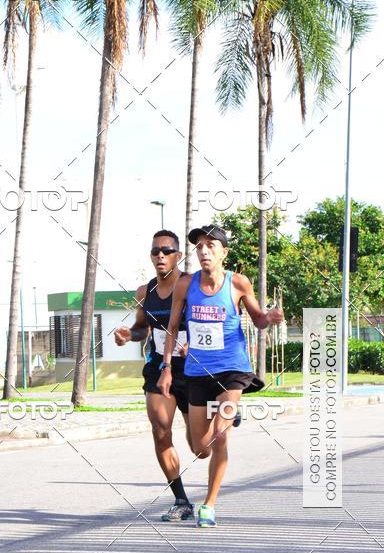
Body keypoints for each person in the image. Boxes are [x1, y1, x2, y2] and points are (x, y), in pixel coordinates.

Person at [158, 224, 284, 528]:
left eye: (211, 246)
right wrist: (166, 368)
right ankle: (223, 414)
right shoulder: (185, 285)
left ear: (223, 252)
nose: (204, 251)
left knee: (220, 435)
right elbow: (172, 328)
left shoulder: (238, 283)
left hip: (232, 369)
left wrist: (270, 317)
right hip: (197, 371)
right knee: (200, 448)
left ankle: (209, 505)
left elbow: (258, 320)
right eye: (199, 246)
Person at [114, 230, 194, 521]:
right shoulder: (144, 292)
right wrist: (128, 335)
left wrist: (194, 344)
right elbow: (142, 328)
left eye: (167, 250)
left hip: (194, 368)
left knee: (200, 447)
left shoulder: (192, 286)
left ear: (178, 256)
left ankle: (223, 410)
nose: (160, 255)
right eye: (155, 251)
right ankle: (181, 500)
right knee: (160, 430)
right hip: (160, 368)